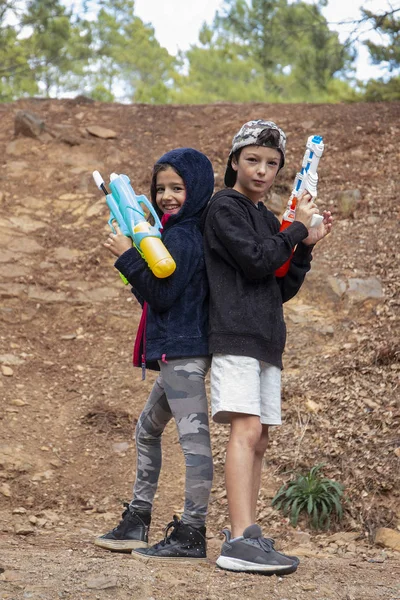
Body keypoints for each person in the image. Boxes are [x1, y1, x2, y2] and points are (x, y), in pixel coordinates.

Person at [202, 120, 333, 574]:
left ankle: (250, 534)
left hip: (265, 339)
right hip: (235, 334)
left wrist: (305, 247)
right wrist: (294, 230)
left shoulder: (264, 217)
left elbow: (280, 285)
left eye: (272, 164)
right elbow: (256, 261)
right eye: (253, 160)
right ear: (234, 161)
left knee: (260, 439)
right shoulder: (224, 208)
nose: (262, 171)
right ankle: (238, 539)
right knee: (247, 429)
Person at [95, 148, 215, 563]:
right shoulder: (173, 233)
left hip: (183, 354)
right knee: (147, 430)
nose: (166, 195)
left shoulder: (184, 236)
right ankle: (138, 520)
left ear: (196, 188)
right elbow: (155, 294)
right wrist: (136, 260)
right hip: (172, 353)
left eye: (177, 187)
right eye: (160, 187)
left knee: (194, 444)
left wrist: (126, 256)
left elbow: (162, 296)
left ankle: (192, 533)